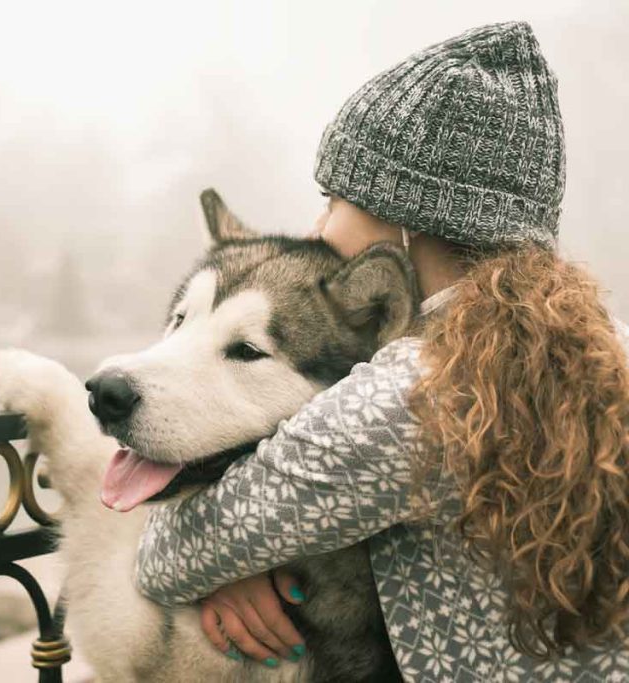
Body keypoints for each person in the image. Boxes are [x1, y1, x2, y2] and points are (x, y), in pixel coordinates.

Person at [134, 21, 629, 681]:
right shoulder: (604, 346)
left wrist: (233, 563)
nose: (315, 228)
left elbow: (165, 558)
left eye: (332, 200)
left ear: (403, 219)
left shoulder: (409, 397)